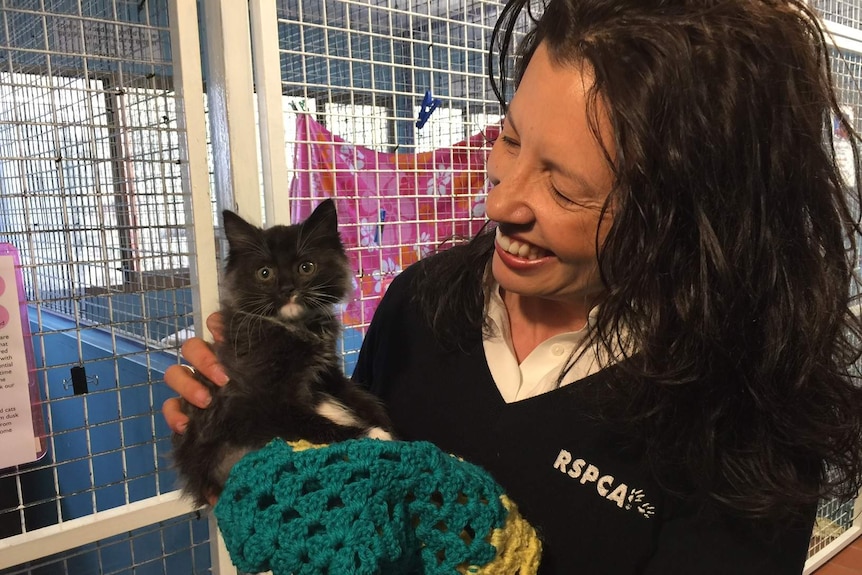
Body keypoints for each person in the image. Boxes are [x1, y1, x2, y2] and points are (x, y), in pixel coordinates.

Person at [163, 0, 862, 572]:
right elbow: (346, 491)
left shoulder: (746, 424)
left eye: (563, 183)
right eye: (511, 139)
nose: (502, 204)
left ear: (690, 216)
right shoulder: (421, 304)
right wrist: (258, 464)